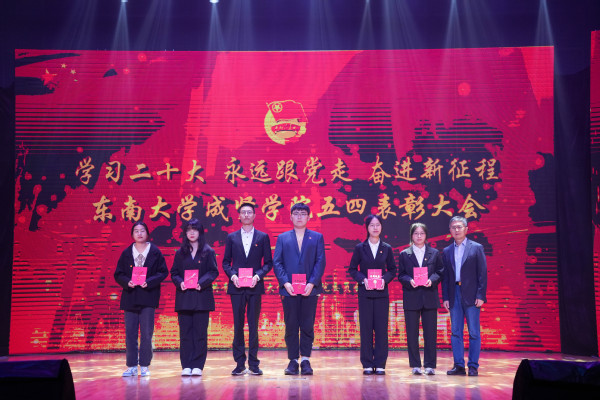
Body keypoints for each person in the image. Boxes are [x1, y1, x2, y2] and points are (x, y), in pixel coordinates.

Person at [273, 202, 326, 375]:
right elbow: (277, 262)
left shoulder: (317, 237)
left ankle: (306, 360)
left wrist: (312, 283)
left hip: (310, 289)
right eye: (296, 213)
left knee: (307, 325)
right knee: (291, 325)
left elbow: (320, 261)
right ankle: (293, 360)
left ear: (308, 217)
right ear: (290, 217)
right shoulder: (283, 238)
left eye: (303, 213)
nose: (299, 216)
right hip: (289, 290)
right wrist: (285, 282)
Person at [222, 202, 273, 376]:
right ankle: (239, 363)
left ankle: (254, 363)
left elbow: (268, 263)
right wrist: (233, 276)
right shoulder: (231, 237)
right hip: (236, 287)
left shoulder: (262, 237)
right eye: (243, 212)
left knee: (253, 325)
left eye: (249, 212)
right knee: (238, 325)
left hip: (254, 286)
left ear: (254, 215)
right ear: (239, 216)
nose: (246, 215)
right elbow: (225, 262)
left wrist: (257, 276)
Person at [114, 221, 168, 377]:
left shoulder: (155, 252)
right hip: (130, 297)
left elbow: (163, 272)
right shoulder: (126, 252)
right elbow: (118, 274)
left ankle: (144, 365)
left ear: (147, 233)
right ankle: (131, 365)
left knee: (146, 333)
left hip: (148, 297)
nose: (139, 233)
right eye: (136, 231)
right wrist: (127, 282)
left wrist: (149, 282)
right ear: (132, 234)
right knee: (130, 333)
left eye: (142, 230)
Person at [348, 214, 397, 375]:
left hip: (382, 294)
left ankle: (380, 363)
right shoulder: (360, 248)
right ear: (367, 228)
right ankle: (367, 363)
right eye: (372, 225)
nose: (375, 228)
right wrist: (363, 280)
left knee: (381, 329)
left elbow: (392, 270)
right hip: (365, 294)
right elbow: (353, 269)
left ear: (381, 227)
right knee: (366, 329)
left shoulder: (387, 248)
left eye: (378, 225)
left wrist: (384, 279)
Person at [171, 218, 219, 377]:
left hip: (201, 297)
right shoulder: (180, 252)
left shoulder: (208, 251)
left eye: (195, 229)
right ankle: (186, 365)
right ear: (185, 233)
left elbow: (213, 272)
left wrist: (201, 283)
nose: (191, 233)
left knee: (200, 334)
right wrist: (180, 283)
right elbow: (174, 273)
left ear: (200, 232)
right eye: (189, 230)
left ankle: (198, 365)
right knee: (185, 334)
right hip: (184, 298)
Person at [442, 216, 487, 377]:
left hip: (472, 295)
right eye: (453, 227)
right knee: (456, 331)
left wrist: (481, 295)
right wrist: (445, 297)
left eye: (459, 227)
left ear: (466, 229)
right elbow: (445, 276)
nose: (456, 230)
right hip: (454, 293)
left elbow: (482, 273)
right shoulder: (447, 251)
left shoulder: (476, 248)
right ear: (450, 230)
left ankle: (473, 366)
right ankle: (459, 365)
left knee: (474, 331)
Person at [398, 222, 444, 375]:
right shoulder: (404, 254)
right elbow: (401, 275)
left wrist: (432, 280)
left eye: (422, 233)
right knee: (412, 334)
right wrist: (409, 280)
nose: (419, 236)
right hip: (411, 297)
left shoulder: (434, 253)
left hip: (429, 296)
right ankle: (415, 365)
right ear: (411, 236)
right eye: (416, 233)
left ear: (426, 235)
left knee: (430, 333)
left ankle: (430, 365)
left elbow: (440, 271)